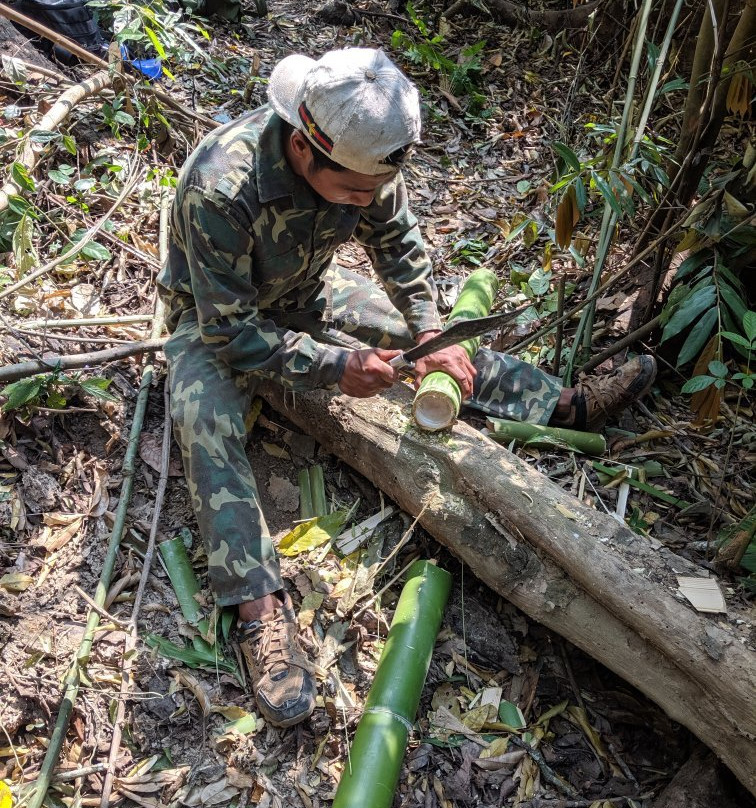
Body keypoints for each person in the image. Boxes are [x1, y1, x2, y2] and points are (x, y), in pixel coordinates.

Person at [157, 47, 656, 729]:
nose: (368, 203)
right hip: (215, 320)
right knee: (205, 420)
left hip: (305, 293)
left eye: (373, 190)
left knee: (423, 342)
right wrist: (338, 368)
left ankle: (558, 404)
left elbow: (398, 246)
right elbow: (232, 335)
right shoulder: (224, 185)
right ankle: (259, 616)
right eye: (354, 194)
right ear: (306, 149)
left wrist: (432, 333)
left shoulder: (366, 155)